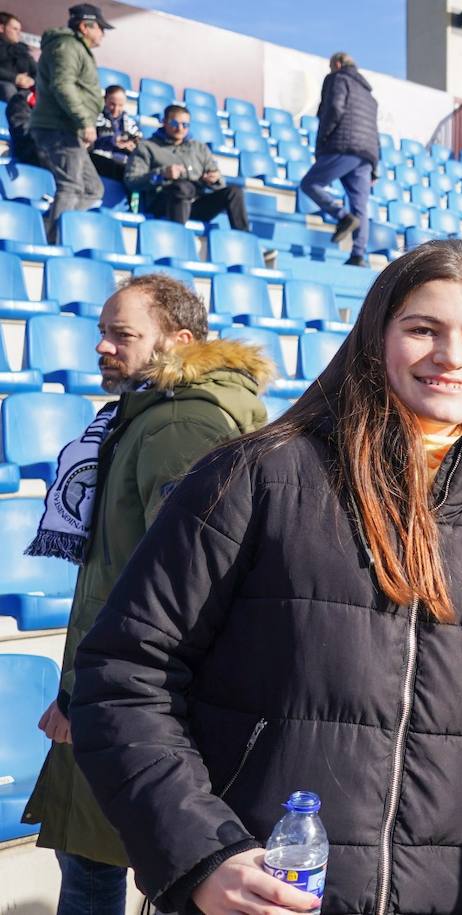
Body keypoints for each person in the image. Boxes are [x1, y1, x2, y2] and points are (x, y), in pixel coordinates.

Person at [69, 240, 462, 915]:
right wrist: (201, 855)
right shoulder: (256, 476)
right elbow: (123, 676)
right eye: (423, 329)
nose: (453, 355)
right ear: (373, 338)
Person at [20, 273, 272, 915]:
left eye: (121, 334)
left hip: (127, 689)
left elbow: (178, 582)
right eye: (101, 332)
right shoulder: (157, 413)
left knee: (94, 872)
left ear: (178, 341)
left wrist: (85, 694)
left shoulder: (181, 424)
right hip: (123, 679)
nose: (102, 346)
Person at [31, 4, 110, 241]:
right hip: (59, 128)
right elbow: (63, 85)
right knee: (71, 186)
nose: (103, 34)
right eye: (100, 28)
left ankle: (50, 229)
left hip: (68, 128)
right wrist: (85, 122)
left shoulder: (75, 48)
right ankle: (52, 242)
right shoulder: (66, 46)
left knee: (93, 188)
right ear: (85, 26)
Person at [300, 51, 378, 267]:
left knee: (310, 184)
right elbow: (374, 132)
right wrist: (375, 168)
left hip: (342, 146)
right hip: (367, 155)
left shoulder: (337, 78)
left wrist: (322, 141)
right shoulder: (370, 96)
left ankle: (342, 216)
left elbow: (333, 109)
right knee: (360, 206)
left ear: (336, 64)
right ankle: (358, 255)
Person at [124, 103, 248, 230]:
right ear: (164, 122)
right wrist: (162, 174)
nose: (180, 128)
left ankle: (245, 240)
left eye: (185, 125)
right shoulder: (147, 147)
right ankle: (179, 236)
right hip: (164, 203)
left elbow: (218, 181)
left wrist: (214, 179)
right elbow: (132, 180)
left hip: (196, 204)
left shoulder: (199, 148)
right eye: (174, 124)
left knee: (234, 192)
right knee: (183, 187)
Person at [89, 84, 139, 181]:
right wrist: (111, 141)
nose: (116, 109)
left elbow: (138, 141)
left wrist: (131, 146)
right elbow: (89, 140)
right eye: (112, 104)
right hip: (99, 158)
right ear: (105, 100)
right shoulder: (95, 118)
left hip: (123, 161)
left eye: (120, 105)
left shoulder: (129, 122)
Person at [0, 12, 36, 102]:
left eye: (19, 30)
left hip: (23, 88)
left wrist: (31, 81)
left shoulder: (22, 50)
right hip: (6, 86)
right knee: (8, 88)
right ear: (1, 28)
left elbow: (36, 70)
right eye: (15, 29)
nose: (19, 33)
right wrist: (15, 78)